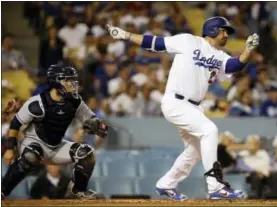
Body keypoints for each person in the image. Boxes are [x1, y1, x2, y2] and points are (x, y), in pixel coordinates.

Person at [106, 16, 259, 200]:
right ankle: (216, 186)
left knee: (194, 152)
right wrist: (125, 34)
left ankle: (166, 184)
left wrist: (248, 50)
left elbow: (235, 65)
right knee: (209, 130)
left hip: (193, 107)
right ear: (212, 30)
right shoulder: (188, 41)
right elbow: (155, 42)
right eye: (224, 30)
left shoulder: (219, 55)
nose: (227, 34)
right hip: (176, 102)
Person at [1, 64, 108, 200]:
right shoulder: (37, 103)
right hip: (35, 143)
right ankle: (3, 190)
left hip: (56, 146)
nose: (72, 84)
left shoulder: (75, 101)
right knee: (30, 156)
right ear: (56, 82)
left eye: (73, 80)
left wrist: (98, 126)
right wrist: (10, 148)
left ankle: (79, 190)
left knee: (86, 153)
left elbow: (91, 119)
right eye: (68, 81)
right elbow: (16, 123)